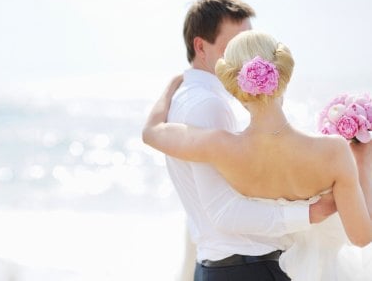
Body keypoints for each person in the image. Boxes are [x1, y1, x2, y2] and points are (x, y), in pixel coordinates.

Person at [143, 30, 372, 280]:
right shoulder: (333, 151)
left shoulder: (219, 146)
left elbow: (152, 133)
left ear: (234, 87)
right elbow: (361, 237)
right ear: (284, 75)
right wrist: (362, 160)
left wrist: (173, 85)